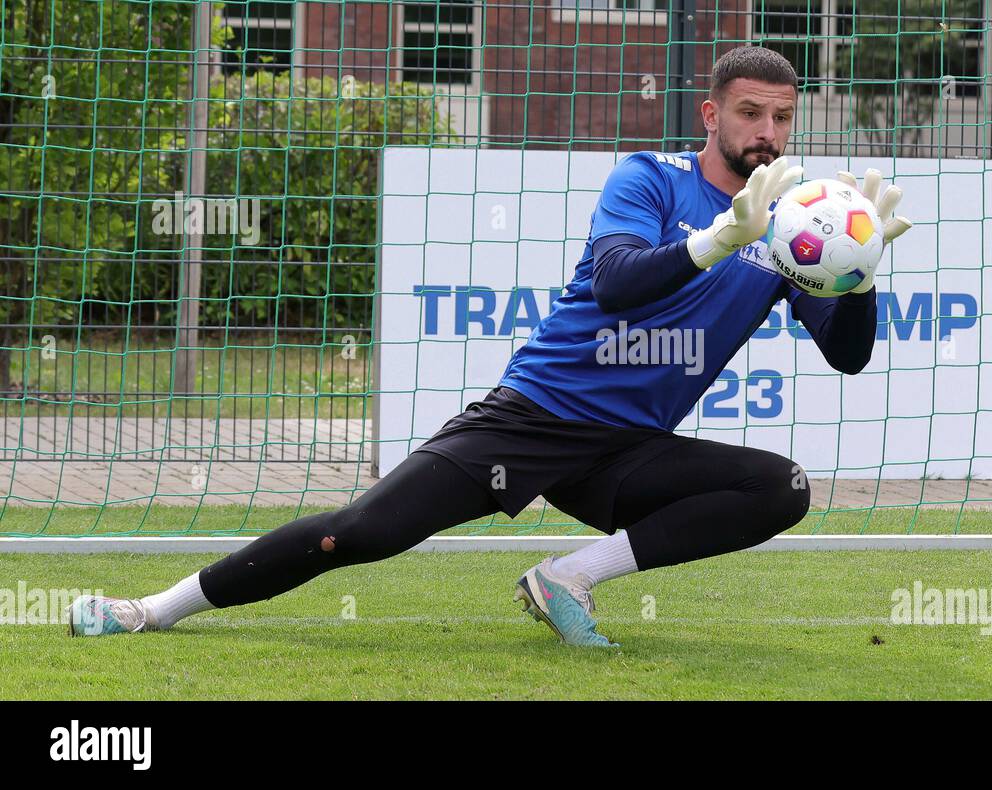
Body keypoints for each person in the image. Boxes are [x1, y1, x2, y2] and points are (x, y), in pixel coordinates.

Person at [68, 45, 912, 647]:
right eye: (749, 113)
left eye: (781, 117)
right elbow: (619, 283)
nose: (766, 131)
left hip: (623, 454)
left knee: (780, 488)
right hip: (534, 421)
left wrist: (860, 273)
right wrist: (724, 237)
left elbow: (848, 356)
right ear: (712, 113)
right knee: (357, 533)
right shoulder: (651, 179)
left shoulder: (798, 227)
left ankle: (570, 576)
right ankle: (149, 609)